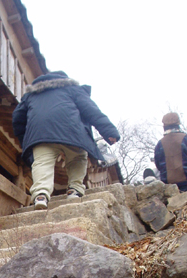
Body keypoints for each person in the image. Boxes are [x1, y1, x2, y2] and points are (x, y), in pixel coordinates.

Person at [12, 71, 120, 209]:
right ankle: (74, 190)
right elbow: (91, 110)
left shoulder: (31, 95)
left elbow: (17, 118)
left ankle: (40, 195)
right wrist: (109, 131)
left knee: (42, 163)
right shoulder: (72, 89)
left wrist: (26, 139)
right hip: (72, 131)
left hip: (40, 134)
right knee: (77, 157)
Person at [154, 112, 187, 192]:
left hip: (169, 187)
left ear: (164, 126)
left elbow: (158, 164)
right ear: (178, 123)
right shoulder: (185, 138)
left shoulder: (160, 144)